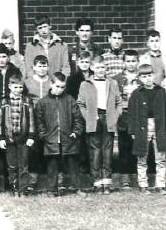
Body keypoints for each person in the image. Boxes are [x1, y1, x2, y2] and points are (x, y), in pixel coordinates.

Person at [77, 55, 122, 194]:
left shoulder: (112, 83)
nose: (100, 70)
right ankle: (97, 182)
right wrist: (88, 117)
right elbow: (81, 104)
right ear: (92, 68)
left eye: (103, 67)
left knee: (107, 151)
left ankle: (106, 183)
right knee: (95, 151)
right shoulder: (85, 84)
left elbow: (119, 102)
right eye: (97, 67)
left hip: (108, 118)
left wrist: (115, 116)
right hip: (94, 118)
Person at [34, 72, 83, 196]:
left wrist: (75, 132)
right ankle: (51, 189)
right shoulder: (42, 102)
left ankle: (77, 187)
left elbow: (78, 118)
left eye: (62, 87)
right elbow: (39, 121)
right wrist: (43, 135)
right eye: (57, 86)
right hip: (51, 139)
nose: (60, 90)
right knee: (52, 165)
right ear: (51, 84)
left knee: (73, 165)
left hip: (69, 138)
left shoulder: (70, 100)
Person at [125, 64, 166, 194]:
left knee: (160, 157)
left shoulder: (161, 91)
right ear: (139, 78)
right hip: (142, 127)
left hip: (159, 126)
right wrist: (132, 130)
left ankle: (161, 185)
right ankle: (143, 184)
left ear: (153, 75)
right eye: (144, 77)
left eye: (149, 75)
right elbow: (131, 113)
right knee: (142, 157)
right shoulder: (136, 93)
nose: (148, 79)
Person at [0, 75, 36, 196]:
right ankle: (14, 188)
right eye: (15, 87)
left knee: (23, 164)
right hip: (9, 137)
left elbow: (31, 119)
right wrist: (1, 138)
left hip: (23, 137)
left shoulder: (27, 100)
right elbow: (0, 121)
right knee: (11, 165)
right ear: (9, 86)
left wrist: (31, 136)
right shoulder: (4, 101)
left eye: (20, 87)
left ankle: (23, 189)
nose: (18, 90)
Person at [112, 51, 141, 190]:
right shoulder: (117, 79)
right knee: (124, 146)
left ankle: (137, 175)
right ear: (123, 62)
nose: (131, 64)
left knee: (138, 146)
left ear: (138, 62)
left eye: (133, 61)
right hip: (124, 114)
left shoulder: (142, 78)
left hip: (139, 115)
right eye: (128, 61)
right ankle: (125, 177)